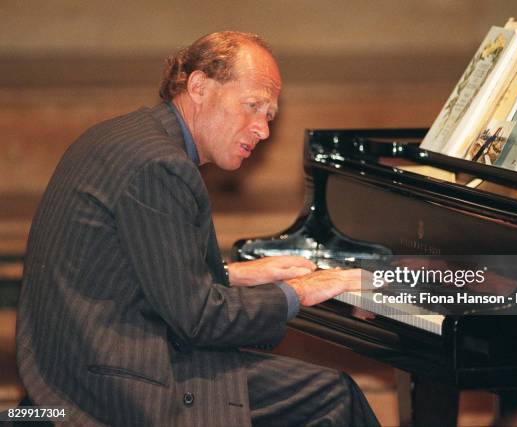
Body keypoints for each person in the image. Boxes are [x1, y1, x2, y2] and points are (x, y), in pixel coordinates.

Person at [16, 32, 379, 426]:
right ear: (199, 86)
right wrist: (298, 292)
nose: (263, 130)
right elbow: (199, 320)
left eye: (269, 115)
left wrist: (232, 275)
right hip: (114, 389)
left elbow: (131, 270)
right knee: (330, 397)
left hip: (74, 368)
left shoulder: (121, 137)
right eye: (253, 106)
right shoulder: (161, 166)